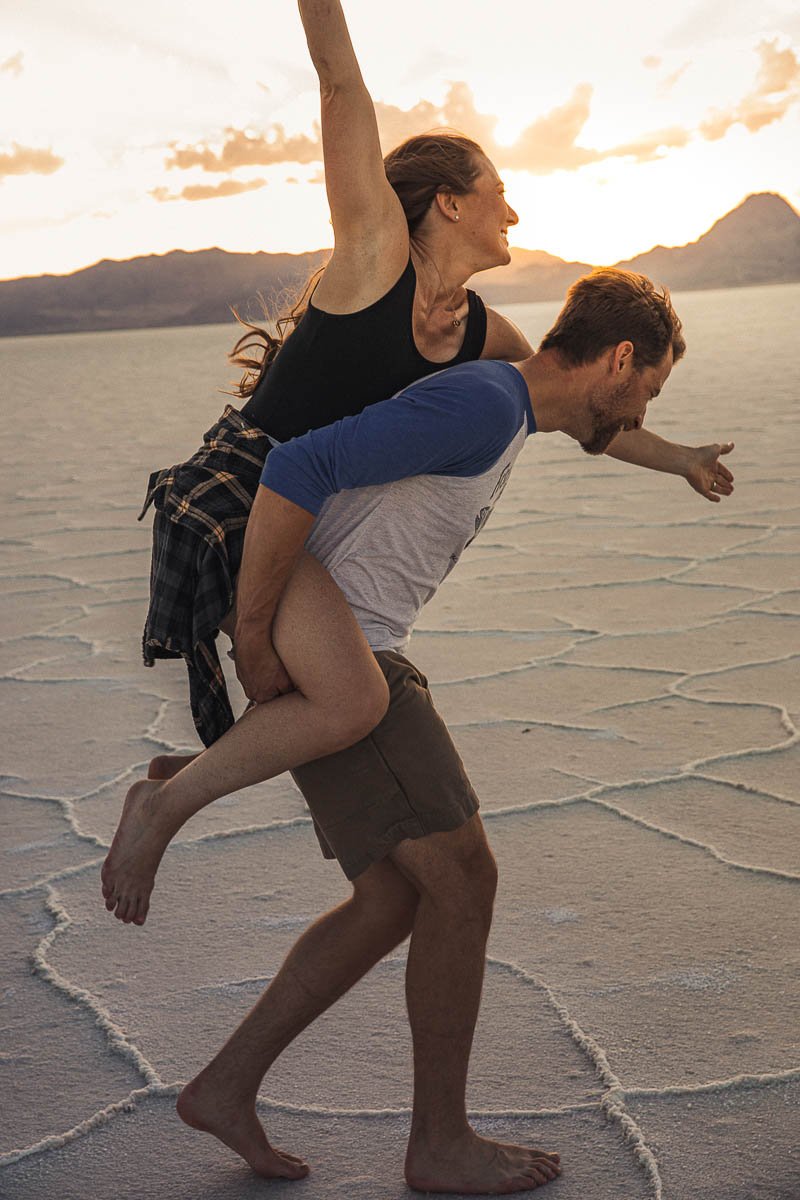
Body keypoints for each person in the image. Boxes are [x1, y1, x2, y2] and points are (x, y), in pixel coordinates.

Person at [104, 268, 735, 1194]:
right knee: (464, 881)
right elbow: (298, 466)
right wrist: (258, 634)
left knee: (393, 901)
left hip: (351, 643)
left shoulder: (514, 402)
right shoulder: (484, 404)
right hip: (349, 649)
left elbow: (607, 431)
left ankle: (226, 1087)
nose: (645, 407)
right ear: (620, 359)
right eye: (650, 387)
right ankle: (439, 1143)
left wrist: (678, 458)